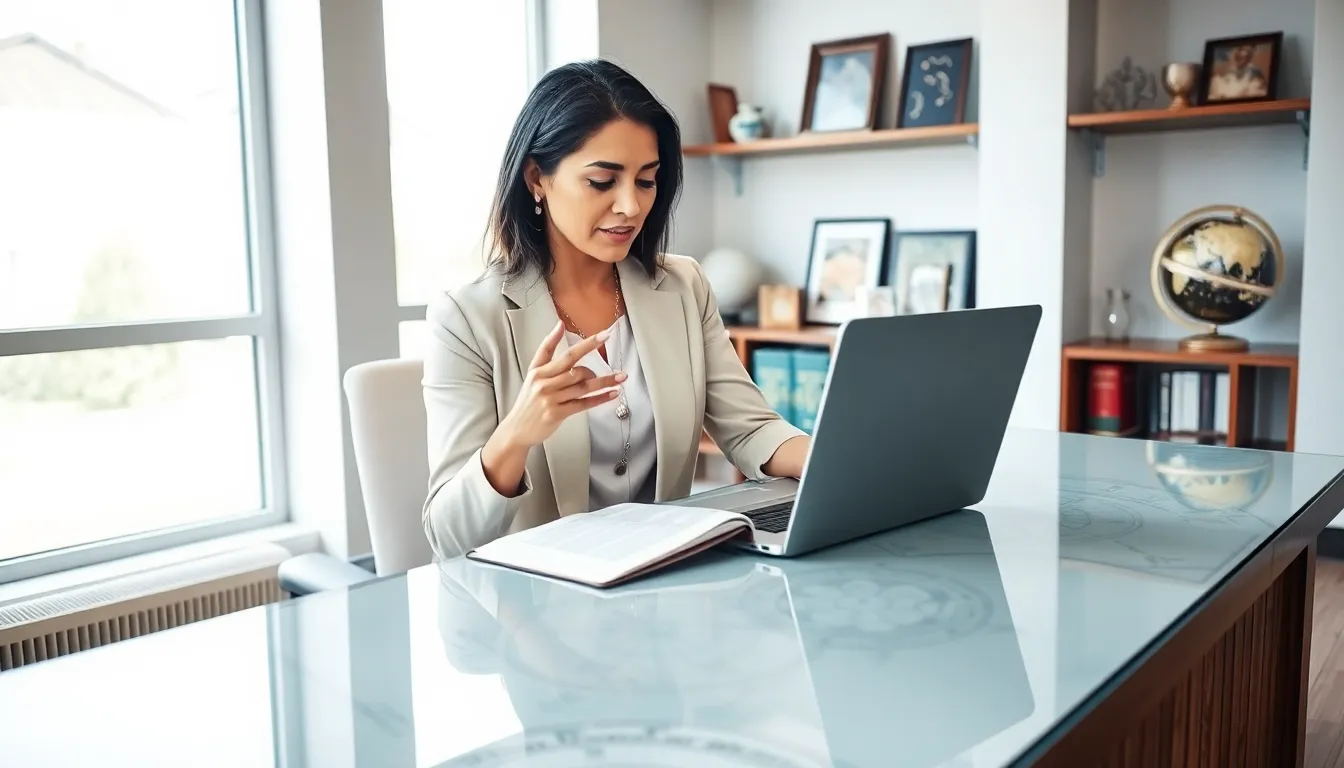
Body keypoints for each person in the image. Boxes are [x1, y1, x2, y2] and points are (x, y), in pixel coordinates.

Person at [421, 59, 810, 560]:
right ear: (537, 178)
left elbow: (752, 430)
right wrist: (516, 435)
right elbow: (448, 537)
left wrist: (840, 463)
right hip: (528, 607)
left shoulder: (684, 286)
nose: (630, 205)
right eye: (603, 182)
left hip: (658, 585)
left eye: (646, 181)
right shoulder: (466, 318)